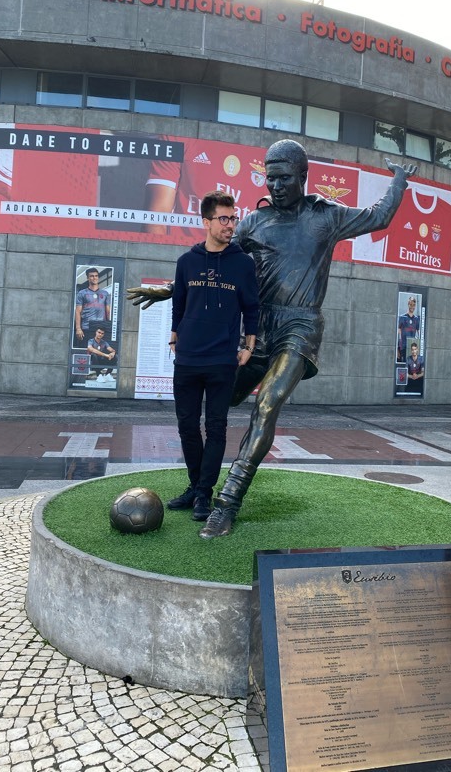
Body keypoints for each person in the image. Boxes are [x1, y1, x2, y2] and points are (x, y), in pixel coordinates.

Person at [128, 139, 416, 538]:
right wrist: (168, 289)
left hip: (299, 328)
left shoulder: (326, 216)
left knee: (266, 405)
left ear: (302, 177)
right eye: (270, 178)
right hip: (256, 330)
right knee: (219, 402)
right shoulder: (252, 223)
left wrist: (399, 182)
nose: (275, 186)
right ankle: (200, 489)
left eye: (283, 178)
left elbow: (379, 216)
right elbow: (212, 262)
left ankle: (227, 502)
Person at [166, 190, 260, 522]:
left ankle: (203, 494)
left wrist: (248, 346)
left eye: (233, 218)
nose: (231, 225)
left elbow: (252, 307)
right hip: (188, 359)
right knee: (187, 426)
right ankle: (196, 486)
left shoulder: (242, 264)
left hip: (222, 359)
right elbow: (179, 302)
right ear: (206, 222)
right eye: (224, 219)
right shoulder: (186, 262)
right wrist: (175, 334)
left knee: (216, 428)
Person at [74, 267, 111, 348]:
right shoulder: (82, 293)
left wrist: (109, 327)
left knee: (99, 354)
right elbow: (77, 311)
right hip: (86, 328)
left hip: (101, 328)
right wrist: (78, 328)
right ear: (87, 278)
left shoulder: (105, 293)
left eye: (96, 276)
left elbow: (108, 311)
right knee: (85, 352)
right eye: (92, 276)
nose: (94, 278)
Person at [397, 296, 420, 361]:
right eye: (411, 304)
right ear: (408, 304)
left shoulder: (416, 319)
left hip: (412, 350)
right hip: (403, 348)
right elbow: (398, 335)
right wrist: (397, 349)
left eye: (414, 305)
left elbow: (419, 335)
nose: (412, 306)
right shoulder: (402, 317)